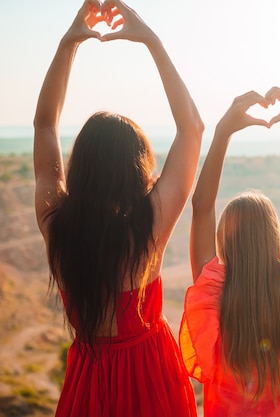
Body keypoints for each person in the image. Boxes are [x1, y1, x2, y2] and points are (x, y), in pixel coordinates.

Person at [33, 1, 203, 416]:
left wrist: (68, 45)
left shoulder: (57, 224)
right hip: (153, 380)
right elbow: (192, 128)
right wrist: (152, 41)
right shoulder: (148, 229)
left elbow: (44, 126)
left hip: (90, 381)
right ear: (135, 170)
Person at [179, 88, 280, 416]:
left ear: (226, 241)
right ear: (272, 235)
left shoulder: (214, 291)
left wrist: (223, 132)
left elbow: (201, 208)